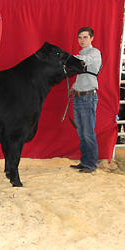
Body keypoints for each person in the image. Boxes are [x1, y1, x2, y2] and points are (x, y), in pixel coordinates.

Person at [69, 27, 102, 173]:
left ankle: (91, 164)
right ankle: (84, 161)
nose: (82, 40)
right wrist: (74, 88)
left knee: (88, 133)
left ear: (91, 38)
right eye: (80, 37)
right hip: (78, 96)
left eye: (85, 37)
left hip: (88, 97)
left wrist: (69, 58)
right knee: (81, 133)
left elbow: (85, 61)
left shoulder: (94, 53)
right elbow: (83, 76)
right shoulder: (81, 54)